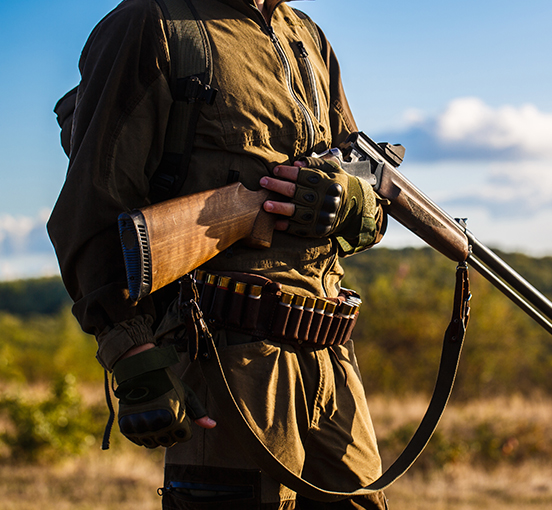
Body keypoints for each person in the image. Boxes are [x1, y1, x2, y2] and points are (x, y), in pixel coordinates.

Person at [47, 0, 389, 508]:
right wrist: (134, 357)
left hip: (331, 356)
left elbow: (363, 179)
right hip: (228, 360)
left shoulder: (307, 36)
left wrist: (351, 201)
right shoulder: (152, 23)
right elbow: (91, 209)